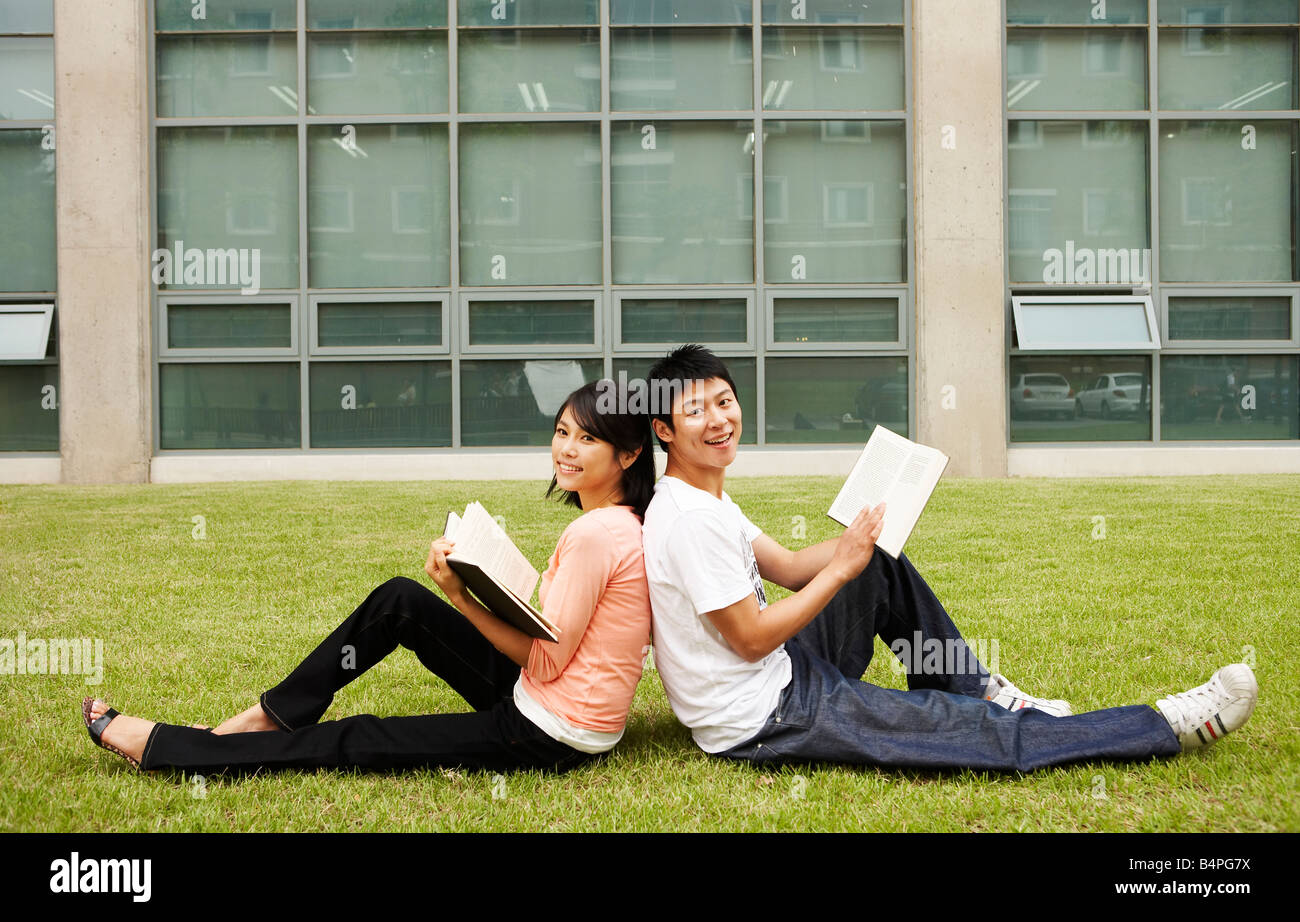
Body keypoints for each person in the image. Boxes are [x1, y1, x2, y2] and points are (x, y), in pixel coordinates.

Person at [640, 345, 1258, 772]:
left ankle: (979, 687)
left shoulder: (705, 497)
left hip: (780, 670)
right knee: (965, 734)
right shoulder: (690, 521)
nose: (719, 420)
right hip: (762, 714)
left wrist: (864, 538)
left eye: (724, 401)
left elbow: (789, 563)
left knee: (879, 561)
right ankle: (1165, 723)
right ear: (664, 431)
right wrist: (839, 567)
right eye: (696, 411)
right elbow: (748, 639)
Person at [83, 379, 656, 776]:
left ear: (628, 456)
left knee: (360, 738)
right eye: (562, 432)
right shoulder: (620, 523)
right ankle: (270, 714)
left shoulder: (595, 535)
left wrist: (461, 594)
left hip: (550, 731)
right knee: (400, 601)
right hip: (555, 703)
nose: (567, 450)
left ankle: (177, 749)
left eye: (588, 439)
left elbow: (546, 660)